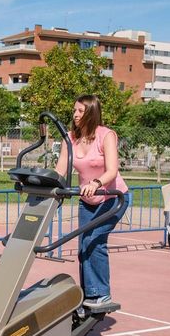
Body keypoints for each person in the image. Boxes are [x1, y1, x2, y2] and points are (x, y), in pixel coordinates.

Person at [54, 95, 130, 310]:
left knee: (94, 239)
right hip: (87, 200)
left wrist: (96, 182)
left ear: (91, 112)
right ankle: (88, 294)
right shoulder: (70, 138)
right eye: (74, 111)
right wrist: (44, 183)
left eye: (80, 111)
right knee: (83, 244)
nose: (75, 115)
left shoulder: (106, 135)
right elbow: (61, 169)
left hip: (114, 197)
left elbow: (112, 170)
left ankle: (101, 294)